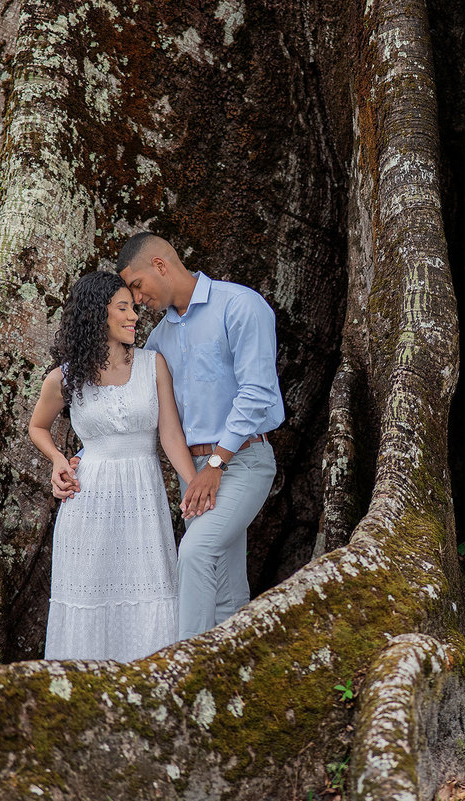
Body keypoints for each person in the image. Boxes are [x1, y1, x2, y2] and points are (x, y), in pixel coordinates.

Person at [57, 233, 283, 640]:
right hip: (192, 471)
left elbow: (258, 394)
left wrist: (216, 464)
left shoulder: (239, 305)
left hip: (241, 461)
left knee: (195, 554)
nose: (137, 301)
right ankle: (233, 671)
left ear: (160, 265)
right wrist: (81, 458)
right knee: (225, 582)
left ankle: (183, 668)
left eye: (138, 287)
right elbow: (137, 414)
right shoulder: (159, 341)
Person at [29, 271, 197, 661]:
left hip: (142, 500)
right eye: (122, 308)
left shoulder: (153, 365)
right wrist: (57, 459)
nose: (134, 316)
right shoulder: (65, 378)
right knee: (90, 597)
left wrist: (195, 487)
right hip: (88, 502)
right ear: (95, 315)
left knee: (150, 592)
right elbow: (37, 426)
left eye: (133, 308)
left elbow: (171, 437)